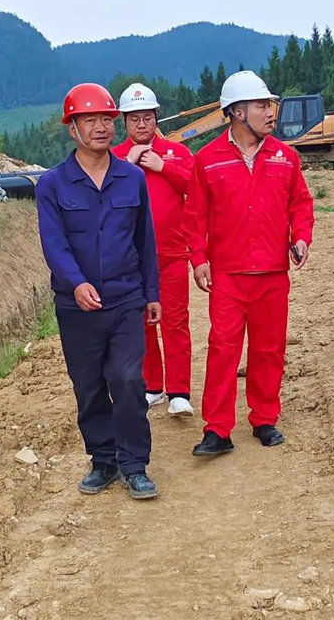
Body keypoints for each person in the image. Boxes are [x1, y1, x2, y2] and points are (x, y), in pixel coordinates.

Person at [35, 83, 161, 498]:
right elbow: (54, 244)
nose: (101, 127)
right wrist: (77, 283)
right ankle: (104, 460)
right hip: (77, 307)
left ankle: (134, 464)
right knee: (88, 386)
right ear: (72, 129)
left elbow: (145, 240)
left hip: (125, 299)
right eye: (89, 120)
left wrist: (152, 293)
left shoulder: (133, 178)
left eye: (106, 119)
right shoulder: (52, 185)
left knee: (127, 379)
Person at [184, 70, 314, 457]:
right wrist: (199, 258)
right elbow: (194, 216)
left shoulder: (286, 157)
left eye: (270, 105)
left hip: (272, 273)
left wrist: (301, 237)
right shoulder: (207, 160)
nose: (271, 112)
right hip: (228, 275)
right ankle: (217, 429)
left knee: (268, 349)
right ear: (238, 112)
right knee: (222, 349)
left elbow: (301, 204)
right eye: (262, 106)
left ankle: (264, 419)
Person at [112, 82, 195, 417]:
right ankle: (152, 387)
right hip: (131, 258)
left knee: (176, 321)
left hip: (171, 253)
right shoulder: (114, 157)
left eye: (147, 117)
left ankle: (179, 392)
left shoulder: (177, 152)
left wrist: (164, 166)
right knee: (142, 324)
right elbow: (104, 195)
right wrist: (128, 164)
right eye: (134, 119)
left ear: (156, 117)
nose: (141, 124)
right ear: (124, 122)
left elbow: (196, 188)